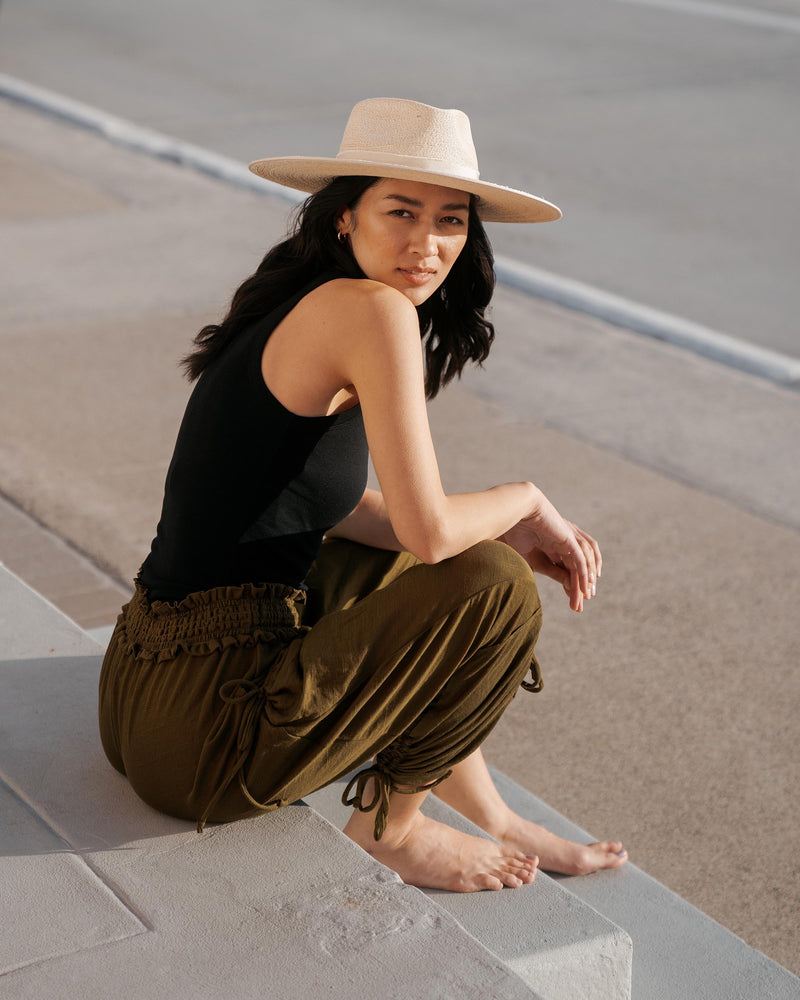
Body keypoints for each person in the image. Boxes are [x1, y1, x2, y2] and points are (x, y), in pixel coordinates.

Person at [99, 98, 627, 892]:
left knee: (452, 565)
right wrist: (525, 500)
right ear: (346, 216)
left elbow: (326, 506)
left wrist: (485, 531)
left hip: (142, 696)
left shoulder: (303, 299)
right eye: (402, 211)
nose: (427, 242)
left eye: (451, 220)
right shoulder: (372, 310)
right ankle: (392, 829)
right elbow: (428, 531)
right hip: (206, 738)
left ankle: (495, 814)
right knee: (497, 590)